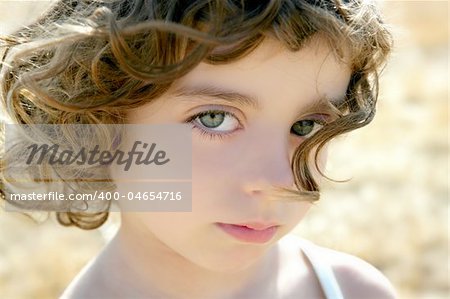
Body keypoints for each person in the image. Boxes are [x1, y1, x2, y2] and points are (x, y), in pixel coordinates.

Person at [0, 0, 396, 298]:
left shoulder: (355, 291)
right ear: (100, 122)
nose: (278, 180)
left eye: (305, 126)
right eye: (213, 119)